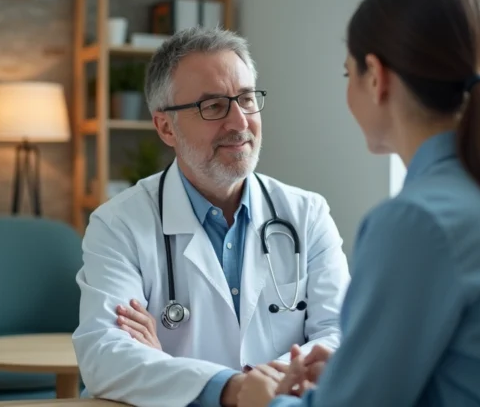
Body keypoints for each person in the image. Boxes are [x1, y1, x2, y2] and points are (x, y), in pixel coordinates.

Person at [236, 0, 480, 406]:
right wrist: (349, 374)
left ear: (376, 77)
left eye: (348, 72)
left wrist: (263, 400)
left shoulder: (416, 221)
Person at [72, 26, 351, 407]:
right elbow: (105, 356)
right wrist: (232, 389)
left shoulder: (307, 214)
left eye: (247, 99)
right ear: (165, 127)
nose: (239, 122)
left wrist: (172, 369)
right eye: (214, 106)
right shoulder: (118, 224)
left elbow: (340, 332)